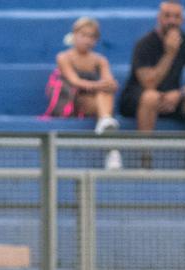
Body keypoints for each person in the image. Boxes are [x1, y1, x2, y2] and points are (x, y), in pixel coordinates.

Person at [118, 0, 185, 169]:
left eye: (176, 16)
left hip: (172, 97)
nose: (172, 21)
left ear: (182, 20)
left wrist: (180, 93)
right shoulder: (145, 43)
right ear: (159, 18)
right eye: (167, 16)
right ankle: (145, 155)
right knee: (151, 97)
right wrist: (169, 54)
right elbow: (149, 83)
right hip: (138, 98)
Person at [54, 16, 122, 170]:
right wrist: (101, 85)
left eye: (91, 36)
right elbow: (75, 81)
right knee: (103, 95)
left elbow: (109, 82)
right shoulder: (64, 57)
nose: (87, 40)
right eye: (83, 35)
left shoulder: (100, 60)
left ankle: (106, 127)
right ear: (74, 35)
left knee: (105, 95)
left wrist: (110, 84)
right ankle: (111, 144)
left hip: (96, 101)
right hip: (74, 102)